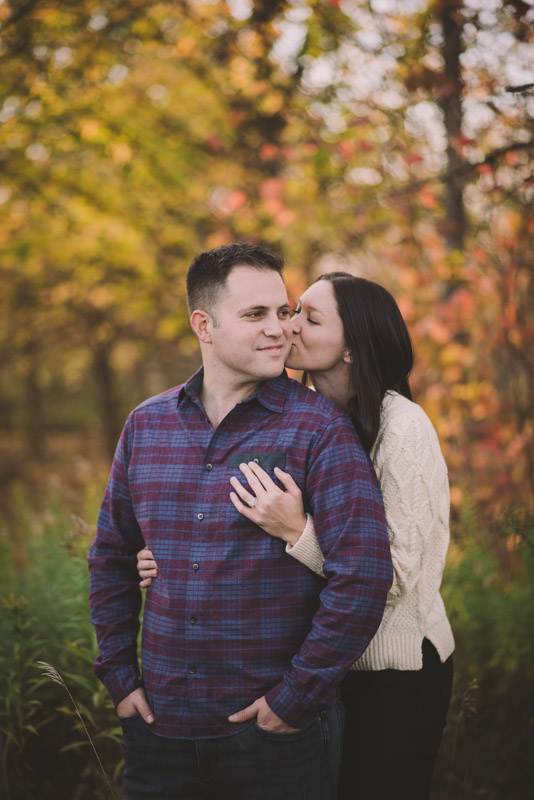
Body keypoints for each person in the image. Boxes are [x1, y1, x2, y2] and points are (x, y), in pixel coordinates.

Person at [89, 245, 392, 800]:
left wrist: (294, 701)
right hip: (158, 733)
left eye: (283, 312)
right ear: (203, 325)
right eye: (256, 315)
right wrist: (119, 678)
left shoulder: (320, 430)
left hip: (276, 741)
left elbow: (365, 577)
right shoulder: (146, 426)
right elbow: (111, 555)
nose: (279, 329)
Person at [138, 271, 455, 800]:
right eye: (290, 311)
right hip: (321, 663)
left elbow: (393, 577)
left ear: (352, 347)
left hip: (392, 668)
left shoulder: (404, 428)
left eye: (308, 317)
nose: (288, 326)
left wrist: (298, 531)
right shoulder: (309, 417)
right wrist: (161, 557)